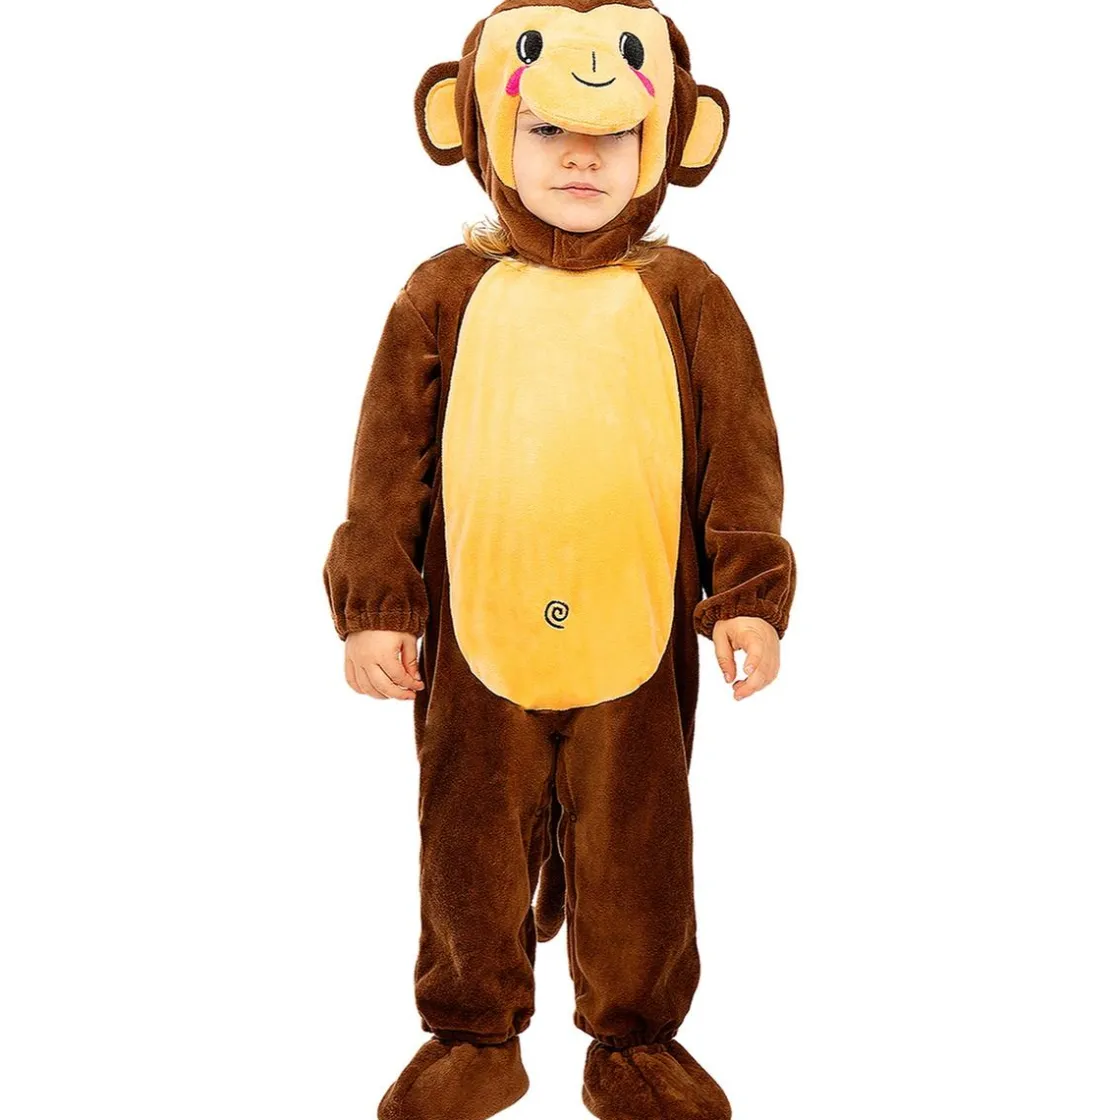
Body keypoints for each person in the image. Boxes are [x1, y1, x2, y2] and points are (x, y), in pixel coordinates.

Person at [323, 4, 797, 1118]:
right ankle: (472, 1034)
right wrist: (377, 603)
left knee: (639, 844)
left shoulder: (686, 294)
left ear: (668, 141)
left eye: (612, 136)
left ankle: (633, 1042)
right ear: (482, 130)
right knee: (467, 836)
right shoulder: (442, 292)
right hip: (471, 635)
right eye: (546, 131)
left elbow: (740, 456)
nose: (581, 158)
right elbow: (387, 463)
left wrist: (747, 594)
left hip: (636, 632)